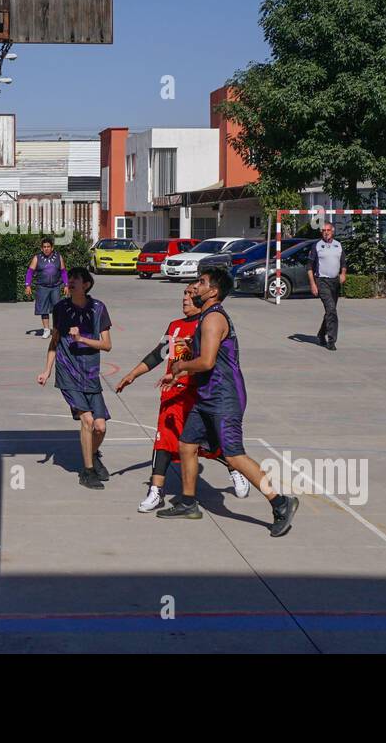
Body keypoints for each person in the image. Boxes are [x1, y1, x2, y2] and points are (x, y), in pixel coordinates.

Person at [153, 267, 299, 536]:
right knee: (186, 445)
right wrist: (181, 373)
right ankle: (188, 503)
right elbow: (205, 363)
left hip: (224, 396)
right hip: (207, 395)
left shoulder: (213, 319)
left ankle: (280, 502)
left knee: (234, 454)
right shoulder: (206, 317)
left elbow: (206, 361)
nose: (196, 286)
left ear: (213, 291)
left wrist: (180, 366)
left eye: (202, 282)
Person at [116, 281, 251, 512]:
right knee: (164, 439)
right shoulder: (175, 326)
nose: (186, 298)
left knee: (211, 444)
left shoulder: (208, 323)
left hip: (201, 393)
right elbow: (157, 355)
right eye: (184, 293)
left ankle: (234, 467)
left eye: (191, 293)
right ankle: (156, 490)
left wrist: (187, 362)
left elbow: (212, 361)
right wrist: (133, 374)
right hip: (173, 393)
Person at [38, 267, 113, 489]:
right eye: (69, 278)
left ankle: (92, 455)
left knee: (100, 427)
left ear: (86, 285)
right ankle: (87, 471)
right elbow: (54, 343)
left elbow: (107, 345)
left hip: (90, 374)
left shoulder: (99, 309)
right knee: (88, 421)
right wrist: (47, 370)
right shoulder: (60, 308)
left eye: (75, 279)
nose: (70, 282)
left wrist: (82, 339)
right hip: (68, 372)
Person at [307, 221, 347, 350]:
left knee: (331, 311)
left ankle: (320, 334)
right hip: (322, 281)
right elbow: (309, 268)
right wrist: (313, 284)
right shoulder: (317, 246)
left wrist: (343, 274)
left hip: (334, 281)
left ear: (332, 231)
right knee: (331, 309)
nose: (326, 232)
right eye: (323, 230)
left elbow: (343, 263)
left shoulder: (338, 245)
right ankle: (331, 340)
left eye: (328, 230)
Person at [25, 237, 68, 339]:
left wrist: (66, 285)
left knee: (57, 309)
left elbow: (63, 271)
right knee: (43, 310)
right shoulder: (37, 258)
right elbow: (30, 271)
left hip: (56, 287)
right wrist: (27, 285)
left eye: (48, 247)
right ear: (41, 248)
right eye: (44, 247)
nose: (46, 249)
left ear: (52, 248)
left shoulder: (58, 257)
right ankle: (46, 330)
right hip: (42, 287)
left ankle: (57, 330)